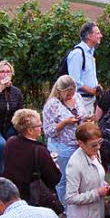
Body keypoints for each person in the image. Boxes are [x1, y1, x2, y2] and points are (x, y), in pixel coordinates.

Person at [65, 122, 110, 218]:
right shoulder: (74, 164)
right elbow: (70, 197)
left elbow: (96, 177)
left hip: (96, 215)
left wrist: (104, 186)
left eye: (99, 142)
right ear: (80, 143)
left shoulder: (95, 153)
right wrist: (97, 193)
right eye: (94, 145)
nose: (98, 147)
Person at [3, 109, 60, 205]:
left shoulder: (10, 142)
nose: (41, 128)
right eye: (39, 126)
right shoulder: (39, 150)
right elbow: (54, 178)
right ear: (30, 130)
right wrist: (55, 166)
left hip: (13, 196)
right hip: (34, 198)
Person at [43, 76, 82, 204]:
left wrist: (85, 119)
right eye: (67, 94)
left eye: (72, 93)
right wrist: (64, 123)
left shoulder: (78, 98)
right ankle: (65, 208)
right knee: (63, 179)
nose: (70, 96)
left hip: (79, 144)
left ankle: (77, 203)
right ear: (59, 91)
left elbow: (84, 113)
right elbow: (48, 132)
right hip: (61, 146)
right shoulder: (52, 105)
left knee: (79, 177)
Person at [66, 21, 102, 117]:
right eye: (97, 33)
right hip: (81, 101)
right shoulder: (78, 53)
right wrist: (91, 90)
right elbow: (74, 81)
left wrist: (96, 86)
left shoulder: (89, 53)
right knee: (83, 129)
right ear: (89, 36)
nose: (101, 35)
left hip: (89, 100)